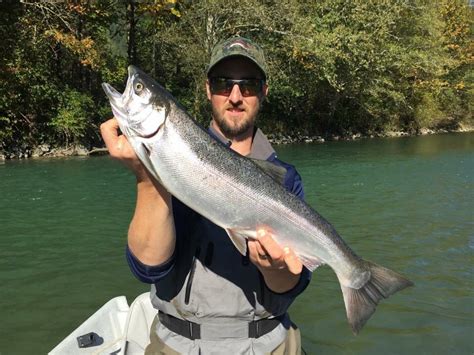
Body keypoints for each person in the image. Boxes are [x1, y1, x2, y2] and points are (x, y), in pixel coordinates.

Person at [100, 36, 312, 354]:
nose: (236, 96)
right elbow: (148, 269)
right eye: (224, 83)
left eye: (249, 84)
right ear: (208, 89)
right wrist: (147, 176)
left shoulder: (285, 178)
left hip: (269, 345)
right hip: (177, 345)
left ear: (264, 91)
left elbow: (291, 287)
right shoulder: (176, 163)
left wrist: (272, 268)